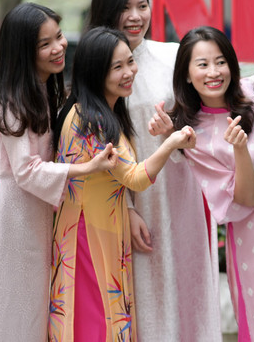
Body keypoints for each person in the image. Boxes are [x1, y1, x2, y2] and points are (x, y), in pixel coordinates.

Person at [0, 3, 116, 342]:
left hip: (29, 212)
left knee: (28, 312)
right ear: (23, 53)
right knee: (1, 314)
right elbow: (26, 171)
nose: (58, 47)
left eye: (58, 37)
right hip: (4, 216)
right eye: (44, 44)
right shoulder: (12, 100)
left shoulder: (44, 87)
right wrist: (88, 167)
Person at [86, 0, 220, 340]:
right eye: (124, 8)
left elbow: (205, 112)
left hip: (185, 189)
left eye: (142, 6)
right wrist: (126, 207)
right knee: (147, 285)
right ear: (104, 12)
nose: (135, 16)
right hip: (137, 197)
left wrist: (180, 132)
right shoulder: (97, 71)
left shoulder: (174, 55)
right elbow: (99, 147)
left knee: (190, 278)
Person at [146, 26, 254, 342]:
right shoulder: (193, 135)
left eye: (220, 61)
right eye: (202, 64)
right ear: (186, 75)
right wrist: (240, 150)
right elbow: (245, 200)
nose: (214, 72)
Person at [48, 27, 197, 341]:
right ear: (95, 72)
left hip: (100, 227)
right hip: (87, 235)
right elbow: (135, 178)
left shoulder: (101, 111)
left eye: (130, 61)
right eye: (118, 67)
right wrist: (170, 143)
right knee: (95, 320)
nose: (130, 72)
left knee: (103, 316)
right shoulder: (92, 120)